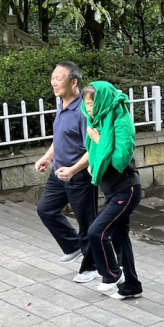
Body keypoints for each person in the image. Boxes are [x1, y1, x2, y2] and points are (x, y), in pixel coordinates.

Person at [35, 61, 99, 283]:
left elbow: (93, 148)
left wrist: (73, 170)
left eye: (59, 78)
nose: (53, 82)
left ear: (73, 82)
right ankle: (73, 246)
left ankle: (92, 267)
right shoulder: (62, 104)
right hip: (59, 172)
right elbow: (61, 136)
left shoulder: (84, 111)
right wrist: (47, 157)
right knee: (45, 210)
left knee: (87, 223)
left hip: (79, 175)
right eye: (53, 78)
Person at [82, 81, 144, 300]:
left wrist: (99, 140)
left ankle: (112, 274)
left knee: (96, 232)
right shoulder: (97, 119)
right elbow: (95, 154)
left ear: (102, 101)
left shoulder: (121, 119)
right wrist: (92, 164)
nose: (89, 109)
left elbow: (120, 159)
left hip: (126, 188)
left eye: (92, 104)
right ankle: (132, 286)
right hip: (110, 189)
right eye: (86, 104)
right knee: (120, 239)